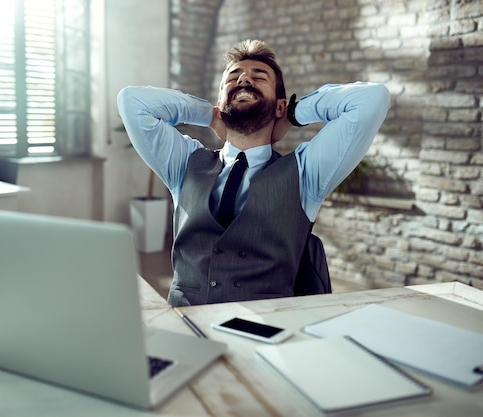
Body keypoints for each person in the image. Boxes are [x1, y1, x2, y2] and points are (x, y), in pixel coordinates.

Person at [117, 39, 391, 307]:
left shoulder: (307, 172)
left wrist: (294, 113)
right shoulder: (183, 162)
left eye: (259, 76)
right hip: (187, 323)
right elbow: (132, 102)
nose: (244, 80)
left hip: (267, 328)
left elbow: (372, 99)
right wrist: (210, 115)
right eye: (233, 77)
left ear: (279, 105)